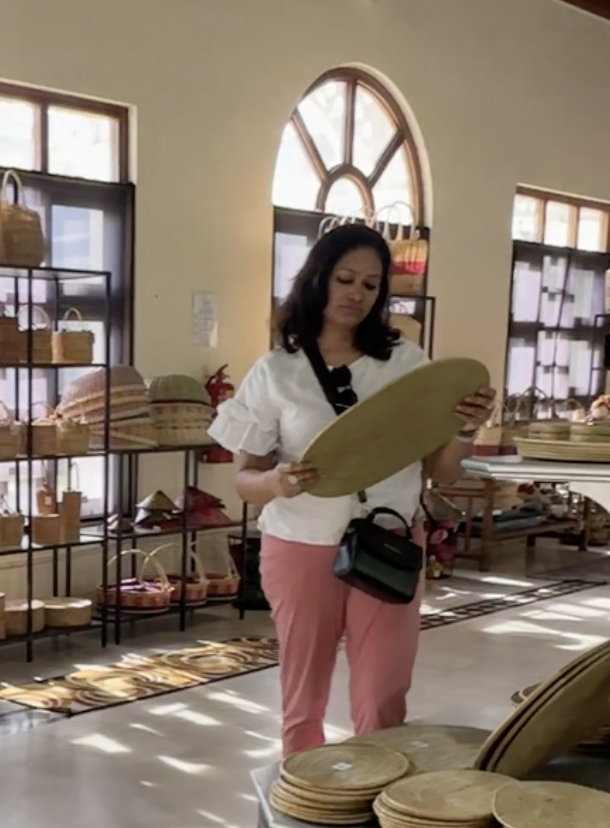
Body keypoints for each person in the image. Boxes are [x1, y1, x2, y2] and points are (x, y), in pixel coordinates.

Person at [210, 224, 495, 756]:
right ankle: (305, 805)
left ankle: (376, 806)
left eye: (370, 285)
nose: (356, 294)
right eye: (345, 279)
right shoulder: (277, 371)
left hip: (388, 542)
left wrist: (465, 429)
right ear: (318, 278)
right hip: (300, 547)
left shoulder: (406, 364)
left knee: (383, 695)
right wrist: (277, 481)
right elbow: (246, 481)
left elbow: (440, 470)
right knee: (303, 696)